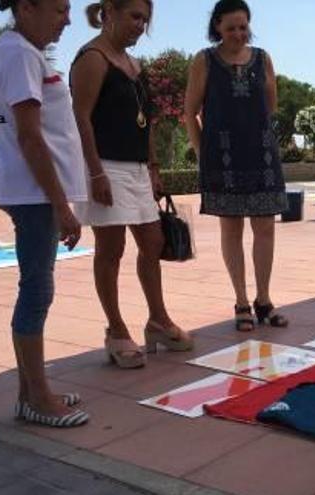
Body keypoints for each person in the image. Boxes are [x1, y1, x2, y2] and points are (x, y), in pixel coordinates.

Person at [71, 0, 192, 370]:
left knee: (153, 242)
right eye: (134, 16)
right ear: (109, 11)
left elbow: (147, 122)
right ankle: (116, 330)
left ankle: (157, 320)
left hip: (137, 168)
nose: (140, 25)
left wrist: (153, 167)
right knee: (111, 249)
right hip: (105, 164)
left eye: (145, 19)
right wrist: (94, 173)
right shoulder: (92, 58)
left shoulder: (134, 64)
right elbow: (81, 117)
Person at [0, 0, 89, 427]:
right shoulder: (20, 54)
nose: (67, 18)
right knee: (36, 291)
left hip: (33, 193)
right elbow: (29, 137)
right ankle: (37, 399)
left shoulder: (16, 51)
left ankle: (31, 392)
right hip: (34, 195)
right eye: (60, 9)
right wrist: (60, 205)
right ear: (27, 7)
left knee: (36, 288)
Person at [184, 0, 289, 332]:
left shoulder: (263, 59)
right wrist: (203, 154)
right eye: (231, 28)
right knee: (231, 229)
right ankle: (241, 301)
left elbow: (269, 106)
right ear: (217, 27)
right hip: (222, 156)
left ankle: (264, 299)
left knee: (265, 228)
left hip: (261, 153)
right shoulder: (204, 60)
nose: (238, 34)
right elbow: (190, 113)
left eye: (243, 26)